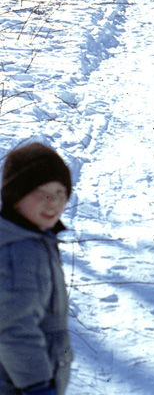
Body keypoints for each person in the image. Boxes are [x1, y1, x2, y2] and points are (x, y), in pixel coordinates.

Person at [0, 142, 73, 395]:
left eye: (61, 192)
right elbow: (12, 327)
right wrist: (37, 386)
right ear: (15, 197)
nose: (53, 202)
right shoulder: (20, 251)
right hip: (20, 386)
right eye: (41, 192)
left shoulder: (34, 240)